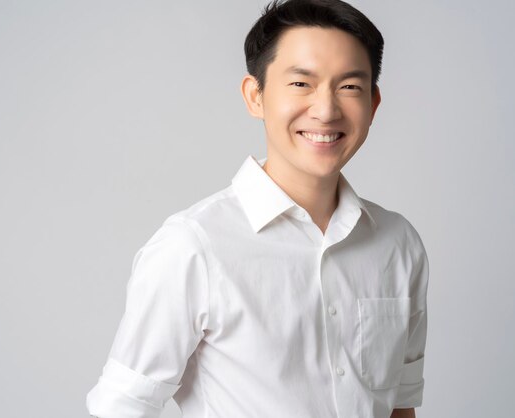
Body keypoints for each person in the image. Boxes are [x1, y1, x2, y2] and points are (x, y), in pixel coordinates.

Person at [86, 0, 429, 417]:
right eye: (302, 84)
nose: (326, 110)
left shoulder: (397, 243)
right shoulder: (193, 246)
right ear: (256, 96)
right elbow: (121, 406)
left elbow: (400, 405)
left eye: (349, 86)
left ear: (373, 104)